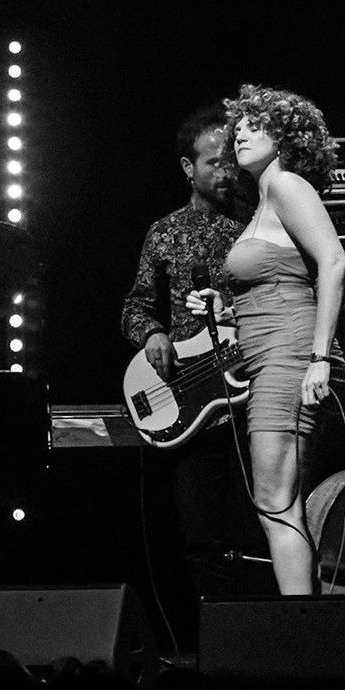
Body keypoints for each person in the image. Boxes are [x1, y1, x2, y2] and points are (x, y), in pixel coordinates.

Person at [189, 85, 345, 595]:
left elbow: (334, 262)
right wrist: (226, 308)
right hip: (270, 356)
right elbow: (279, 281)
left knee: (275, 501)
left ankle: (305, 629)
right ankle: (310, 621)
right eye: (238, 128)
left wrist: (319, 359)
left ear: (285, 138)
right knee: (279, 502)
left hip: (292, 355)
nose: (241, 134)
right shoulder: (264, 199)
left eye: (255, 126)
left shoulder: (288, 186)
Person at [120, 102, 254, 604]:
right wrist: (152, 333)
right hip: (194, 404)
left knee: (260, 528)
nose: (226, 172)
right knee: (200, 539)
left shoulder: (260, 222)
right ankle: (219, 648)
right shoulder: (165, 232)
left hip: (253, 393)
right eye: (213, 163)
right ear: (187, 168)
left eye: (230, 161)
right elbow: (134, 305)